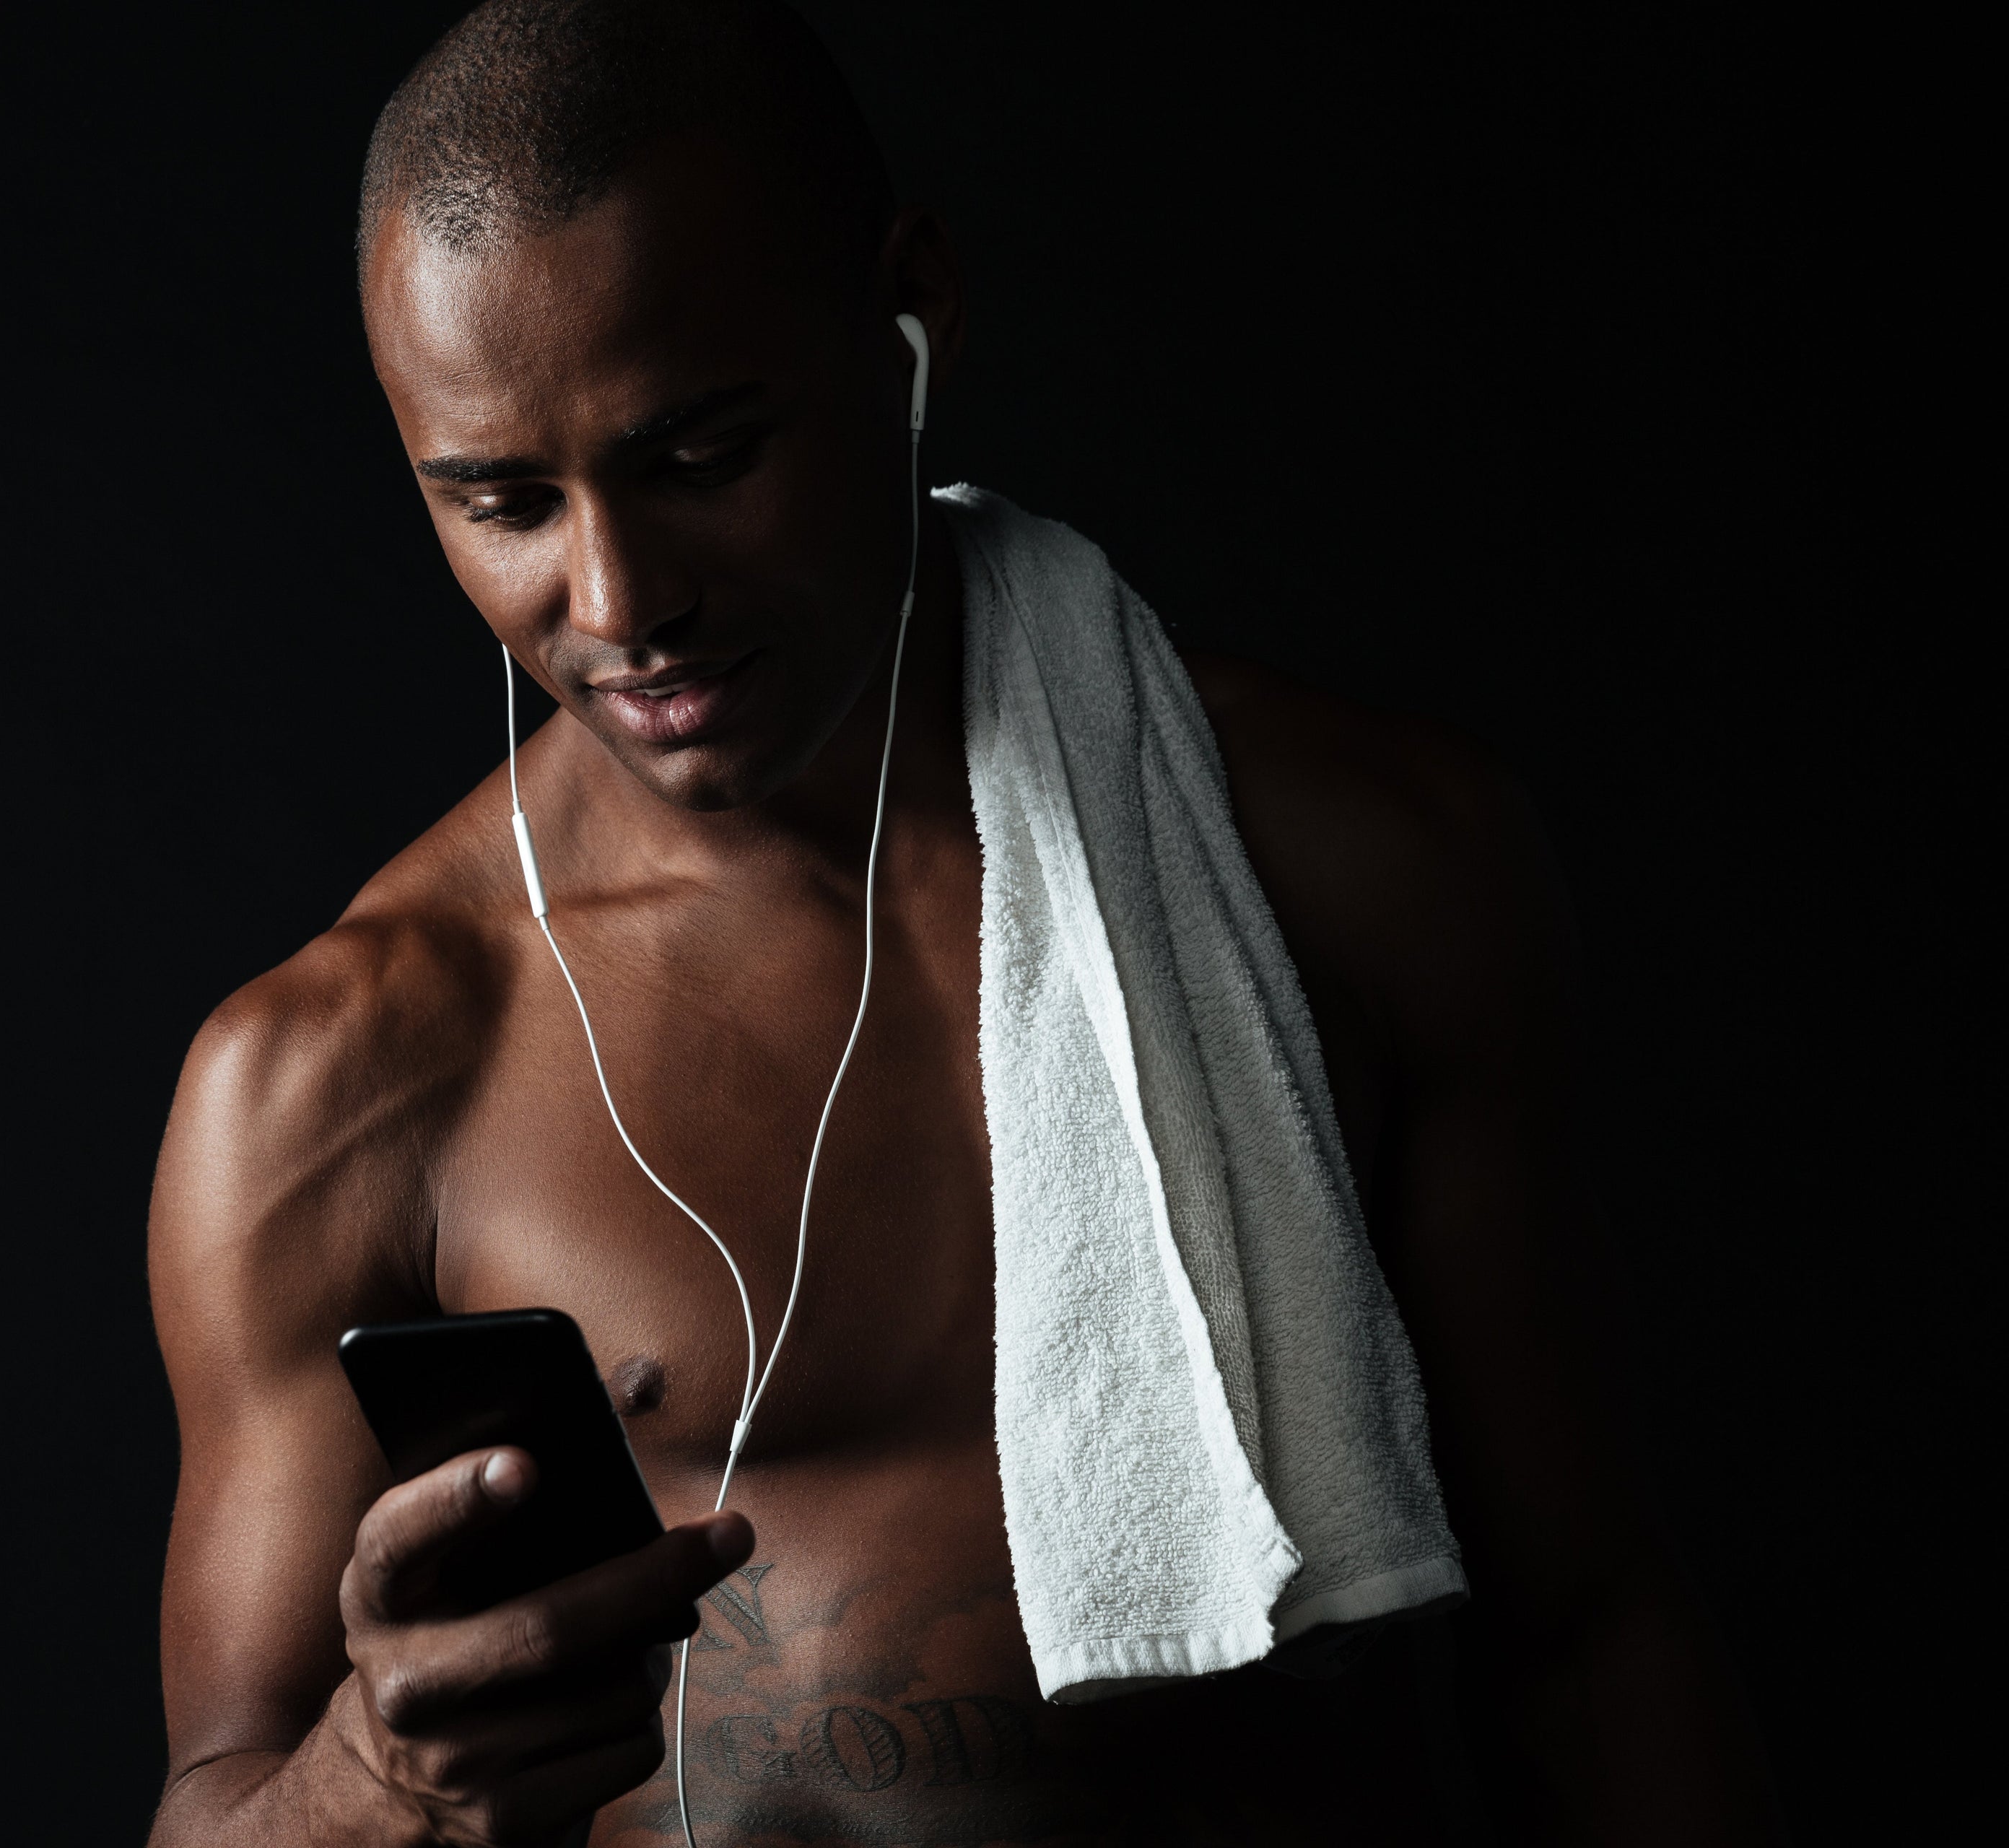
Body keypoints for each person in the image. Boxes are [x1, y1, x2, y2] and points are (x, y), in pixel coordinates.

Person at [144, 3, 1777, 1842]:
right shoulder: (344, 1073)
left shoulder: (1358, 868)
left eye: (699, 454)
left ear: (909, 304)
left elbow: (1589, 1634)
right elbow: (215, 1801)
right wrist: (372, 1783)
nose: (619, 599)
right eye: (506, 502)